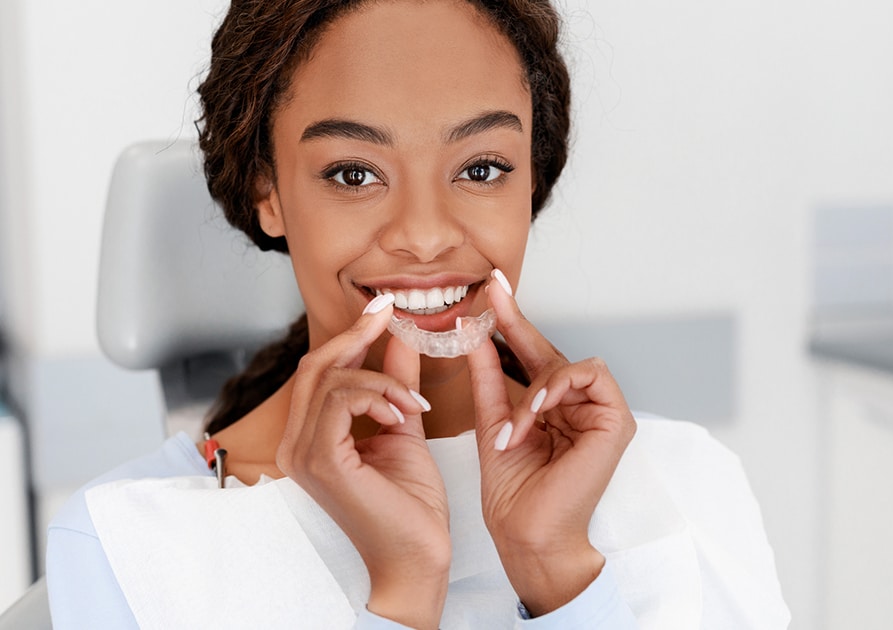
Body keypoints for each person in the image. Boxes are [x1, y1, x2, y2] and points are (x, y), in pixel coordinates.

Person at [46, 1, 790, 628]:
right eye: (354, 173)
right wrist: (403, 590)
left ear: (531, 179)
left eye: (481, 169)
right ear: (267, 191)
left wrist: (558, 571)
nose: (427, 234)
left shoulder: (688, 486)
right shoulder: (129, 546)